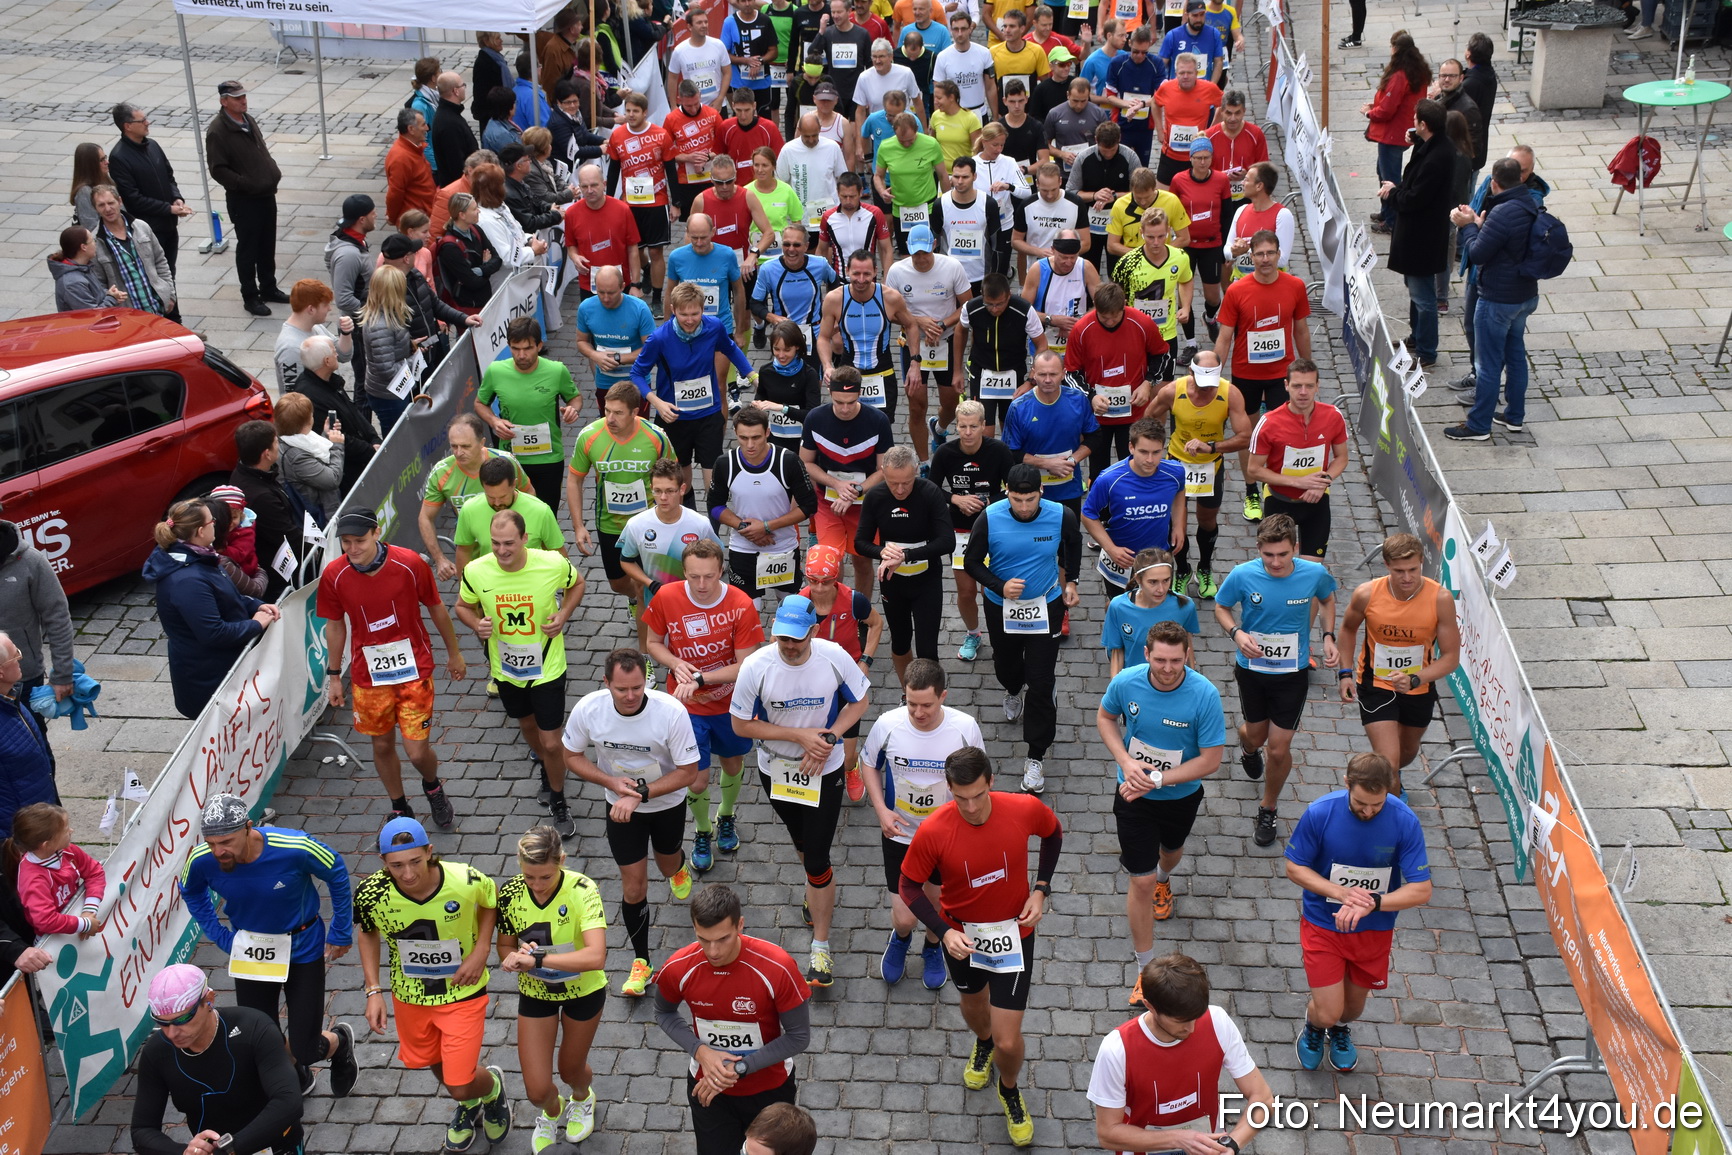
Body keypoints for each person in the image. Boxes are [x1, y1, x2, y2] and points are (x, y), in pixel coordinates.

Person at [898, 747, 1062, 1148]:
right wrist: (942, 931)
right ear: (948, 789)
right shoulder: (934, 830)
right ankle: (982, 1042)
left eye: (977, 795)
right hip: (963, 940)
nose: (970, 807)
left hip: (1014, 935)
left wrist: (1040, 890)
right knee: (973, 1006)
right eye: (960, 798)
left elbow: (1053, 834)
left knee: (1010, 1039)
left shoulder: (1023, 809)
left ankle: (1008, 1089)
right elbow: (908, 886)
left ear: (990, 782)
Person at [731, 594, 873, 986]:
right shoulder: (757, 666)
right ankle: (814, 889)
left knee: (817, 857)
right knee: (801, 841)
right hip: (776, 769)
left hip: (825, 770)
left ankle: (821, 949)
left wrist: (828, 738)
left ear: (813, 630)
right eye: (782, 639)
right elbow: (741, 725)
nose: (790, 646)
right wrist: (798, 736)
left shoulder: (832, 656)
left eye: (797, 638)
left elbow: (861, 700)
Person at [177, 794, 360, 1097]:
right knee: (261, 1037)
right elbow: (190, 891)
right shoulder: (201, 860)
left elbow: (336, 871)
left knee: (305, 1047)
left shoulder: (296, 848)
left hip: (302, 948)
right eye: (211, 844)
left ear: (248, 828)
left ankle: (338, 1042)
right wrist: (221, 936)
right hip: (251, 952)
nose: (219, 852)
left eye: (226, 842)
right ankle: (295, 1076)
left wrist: (341, 930)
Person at [355, 816, 512, 1154]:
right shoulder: (371, 893)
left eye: (415, 861)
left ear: (430, 851)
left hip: (463, 990)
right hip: (410, 995)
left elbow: (491, 898)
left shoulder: (464, 879)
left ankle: (491, 1089)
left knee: (457, 1082)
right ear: (383, 862)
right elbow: (367, 931)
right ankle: (470, 1103)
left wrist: (482, 949)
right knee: (433, 1060)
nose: (408, 873)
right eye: (397, 865)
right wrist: (373, 990)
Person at [317, 507, 466, 828]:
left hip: (415, 670)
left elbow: (437, 608)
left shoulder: (410, 563)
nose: (352, 549)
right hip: (368, 677)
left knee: (416, 752)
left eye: (359, 541)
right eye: (346, 542)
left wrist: (454, 653)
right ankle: (400, 806)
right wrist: (333, 677)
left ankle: (433, 786)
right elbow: (335, 625)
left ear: (376, 533)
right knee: (381, 744)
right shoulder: (334, 574)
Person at [1285, 753, 1432, 1073]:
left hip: (1373, 930)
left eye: (1377, 805)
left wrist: (1373, 903)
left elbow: (1421, 889)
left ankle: (1339, 1029)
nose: (1368, 811)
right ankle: (1315, 1026)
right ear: (1347, 783)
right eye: (1361, 803)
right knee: (1327, 1011)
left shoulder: (1404, 820)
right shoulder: (1320, 813)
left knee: (1350, 1010)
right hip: (1323, 924)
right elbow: (1295, 867)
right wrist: (1340, 893)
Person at [455, 509, 586, 836]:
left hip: (548, 666)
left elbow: (578, 583)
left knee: (552, 742)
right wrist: (476, 624)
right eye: (496, 543)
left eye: (509, 543)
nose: (501, 551)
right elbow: (461, 606)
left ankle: (558, 799)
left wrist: (563, 615)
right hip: (507, 668)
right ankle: (546, 768)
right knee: (527, 725)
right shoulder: (476, 571)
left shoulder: (551, 563)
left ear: (525, 538)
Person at [654, 884, 812, 1154]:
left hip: (769, 1090)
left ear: (740, 925)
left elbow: (798, 1037)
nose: (713, 951)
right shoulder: (679, 967)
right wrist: (701, 1052)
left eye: (723, 939)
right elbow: (664, 1012)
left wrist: (739, 1068)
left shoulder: (777, 967)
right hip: (709, 1089)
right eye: (704, 939)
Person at [1211, 513, 1338, 847]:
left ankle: (1268, 807)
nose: (1276, 562)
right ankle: (1248, 747)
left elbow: (1327, 598)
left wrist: (1327, 636)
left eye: (1283, 554)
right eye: (1269, 555)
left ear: (1295, 547)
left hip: (1291, 673)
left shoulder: (1314, 574)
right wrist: (1236, 633)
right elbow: (1221, 607)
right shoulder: (1243, 575)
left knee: (1279, 748)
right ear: (1258, 549)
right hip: (1252, 671)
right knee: (1255, 734)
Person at [1096, 621, 1223, 956]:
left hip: (1179, 796)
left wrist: (1158, 779)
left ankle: (1164, 878)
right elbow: (1106, 717)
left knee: (1172, 852)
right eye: (1160, 661)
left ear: (1187, 656)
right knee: (1141, 880)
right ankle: (1144, 967)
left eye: (1176, 662)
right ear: (1146, 654)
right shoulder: (1126, 681)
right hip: (1131, 793)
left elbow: (1211, 760)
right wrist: (1125, 762)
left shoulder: (1205, 695)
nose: (1168, 669)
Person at [642, 542, 765, 874]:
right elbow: (652, 643)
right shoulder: (666, 597)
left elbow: (747, 666)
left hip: (730, 705)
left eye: (709, 576)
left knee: (733, 762)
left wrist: (700, 677)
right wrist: (673, 661)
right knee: (695, 780)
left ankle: (725, 814)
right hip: (685, 708)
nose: (701, 584)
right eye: (694, 576)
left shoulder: (740, 604)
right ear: (684, 572)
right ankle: (702, 830)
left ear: (721, 570)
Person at [861, 658, 981, 989]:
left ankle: (932, 947)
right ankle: (900, 939)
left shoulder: (964, 728)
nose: (918, 713)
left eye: (926, 704)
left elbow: (979, 779)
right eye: (911, 703)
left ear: (943, 696)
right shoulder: (888, 724)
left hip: (944, 838)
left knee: (937, 906)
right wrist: (881, 812)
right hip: (900, 834)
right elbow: (868, 764)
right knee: (904, 915)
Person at [962, 463, 1081, 793]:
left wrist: (1071, 580)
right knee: (1008, 668)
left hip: (1046, 604)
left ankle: (1036, 757)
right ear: (1007, 494)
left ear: (1041, 493)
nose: (1025, 507)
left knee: (1041, 682)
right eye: (1017, 500)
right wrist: (999, 586)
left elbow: (1074, 543)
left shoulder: (1060, 515)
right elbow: (971, 562)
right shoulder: (990, 517)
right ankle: (1013, 689)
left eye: (1030, 500)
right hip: (1002, 607)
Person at [1087, 953, 1274, 1153]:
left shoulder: (1217, 1021)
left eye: (1196, 1016)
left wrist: (1233, 1144)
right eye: (1181, 1021)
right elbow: (1107, 1133)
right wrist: (1178, 1139)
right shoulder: (1116, 1050)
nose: (1192, 1029)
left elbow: (1263, 1099)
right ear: (1150, 1006)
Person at [495, 827, 610, 1152]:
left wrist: (540, 958)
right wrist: (513, 958)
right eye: (529, 877)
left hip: (583, 992)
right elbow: (504, 946)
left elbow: (596, 956)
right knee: (535, 1090)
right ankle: (552, 1111)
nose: (537, 886)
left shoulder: (583, 889)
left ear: (562, 860)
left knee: (571, 1069)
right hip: (536, 993)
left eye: (545, 877)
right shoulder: (511, 894)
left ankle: (582, 1096)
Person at [129, 965, 304, 1155]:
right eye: (162, 1023)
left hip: (276, 1147)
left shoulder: (254, 1027)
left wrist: (229, 1148)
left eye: (182, 1020)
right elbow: (141, 1131)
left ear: (209, 1000)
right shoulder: (157, 1052)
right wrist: (185, 1152)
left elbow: (289, 1102)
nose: (172, 1033)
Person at [1337, 533, 1461, 787]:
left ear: (1422, 562)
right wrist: (1345, 673)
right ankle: (1389, 813)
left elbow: (1451, 657)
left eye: (1413, 569)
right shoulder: (1367, 594)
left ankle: (1395, 776)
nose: (1407, 578)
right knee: (1388, 765)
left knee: (1407, 751)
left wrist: (1416, 679)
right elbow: (1348, 629)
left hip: (1418, 688)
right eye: (1399, 571)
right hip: (1376, 685)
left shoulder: (1440, 599)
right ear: (1386, 566)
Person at [566, 382, 677, 647]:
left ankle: (648, 648)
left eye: (618, 413)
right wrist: (579, 526)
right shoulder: (590, 436)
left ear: (636, 412)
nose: (610, 419)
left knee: (643, 587)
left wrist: (672, 518)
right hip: (610, 524)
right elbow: (574, 480)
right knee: (618, 583)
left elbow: (673, 476)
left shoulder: (656, 436)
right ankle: (635, 599)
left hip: (648, 525)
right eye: (607, 411)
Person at [144, 501, 277, 720]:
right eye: (212, 521)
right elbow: (214, 633)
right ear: (200, 531)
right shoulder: (187, 581)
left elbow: (225, 596)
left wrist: (255, 605)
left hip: (225, 671)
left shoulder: (201, 557)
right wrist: (256, 624)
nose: (216, 524)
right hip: (210, 680)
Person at [1213, 228, 1310, 521]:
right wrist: (1214, 376)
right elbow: (1225, 336)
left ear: (1279, 255)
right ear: (1250, 256)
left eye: (1270, 253)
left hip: (1283, 373)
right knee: (1249, 435)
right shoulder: (1237, 290)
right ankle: (1252, 490)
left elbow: (1301, 329)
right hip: (1246, 374)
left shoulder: (1294, 286)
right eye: (1259, 254)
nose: (1265, 259)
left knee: (1282, 432)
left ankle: (1276, 488)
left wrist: (1307, 368)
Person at [1445, 154, 1543, 443]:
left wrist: (1468, 226)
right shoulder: (1529, 202)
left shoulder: (1502, 213)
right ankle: (1514, 416)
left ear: (1495, 183)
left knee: (1487, 364)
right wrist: (1478, 222)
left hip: (1499, 299)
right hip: (1524, 296)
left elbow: (1476, 254)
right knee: (1515, 356)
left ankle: (1479, 424)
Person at [635, 281, 759, 499]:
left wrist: (752, 375)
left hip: (708, 415)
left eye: (695, 313)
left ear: (703, 309)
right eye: (683, 314)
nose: (690, 320)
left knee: (714, 483)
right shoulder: (660, 338)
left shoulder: (714, 327)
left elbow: (730, 349)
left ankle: (714, 529)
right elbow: (637, 374)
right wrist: (657, 402)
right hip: (674, 419)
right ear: (673, 311)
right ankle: (686, 529)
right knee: (681, 484)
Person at [1146, 349, 1250, 595]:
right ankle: (1181, 570)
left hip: (1209, 466)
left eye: (1210, 384)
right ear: (1191, 372)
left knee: (1206, 520)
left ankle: (1204, 567)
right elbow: (1149, 419)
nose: (1206, 390)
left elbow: (1245, 437)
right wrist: (1154, 452)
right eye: (1201, 384)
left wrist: (1213, 446)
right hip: (1176, 466)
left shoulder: (1230, 394)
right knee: (1173, 523)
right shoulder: (1172, 391)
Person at [855, 444, 953, 675]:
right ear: (883, 472)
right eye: (892, 483)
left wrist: (907, 556)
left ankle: (931, 700)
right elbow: (861, 542)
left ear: (917, 471)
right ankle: (907, 694)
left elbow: (947, 541)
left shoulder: (929, 492)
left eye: (906, 483)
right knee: (900, 642)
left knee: (927, 649)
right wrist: (881, 552)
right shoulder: (876, 497)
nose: (899, 490)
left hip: (927, 581)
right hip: (893, 582)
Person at [799, 543, 885, 803]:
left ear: (837, 578)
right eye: (814, 581)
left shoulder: (854, 600)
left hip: (846, 682)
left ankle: (850, 767)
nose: (820, 588)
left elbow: (876, 623)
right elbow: (777, 643)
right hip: (811, 683)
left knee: (847, 753)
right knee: (816, 740)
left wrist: (865, 661)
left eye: (827, 581)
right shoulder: (799, 603)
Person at [929, 399, 1014, 659]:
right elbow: (931, 489)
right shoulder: (945, 453)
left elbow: (1012, 489)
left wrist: (988, 501)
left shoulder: (998, 451)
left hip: (993, 529)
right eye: (962, 427)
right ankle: (974, 634)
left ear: (983, 426)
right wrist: (955, 499)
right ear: (956, 427)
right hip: (960, 531)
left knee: (991, 589)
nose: (967, 433)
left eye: (973, 427)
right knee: (966, 592)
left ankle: (1002, 635)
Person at [800, 367, 896, 594]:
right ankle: (837, 613)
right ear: (829, 393)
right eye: (838, 402)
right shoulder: (815, 418)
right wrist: (836, 485)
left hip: (864, 505)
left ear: (860, 393)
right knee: (830, 560)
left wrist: (855, 491)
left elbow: (884, 470)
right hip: (827, 502)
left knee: (863, 561)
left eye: (851, 402)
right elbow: (806, 463)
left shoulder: (878, 421)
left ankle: (861, 614)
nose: (844, 408)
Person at [471, 317, 579, 514]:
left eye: (527, 348)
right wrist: (494, 421)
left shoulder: (556, 371)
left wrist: (573, 409)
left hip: (548, 459)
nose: (521, 355)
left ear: (539, 345)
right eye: (515, 348)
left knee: (545, 515)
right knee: (508, 516)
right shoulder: (496, 371)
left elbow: (575, 398)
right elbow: (479, 403)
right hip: (511, 459)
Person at [712, 409, 820, 604]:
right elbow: (715, 505)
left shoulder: (788, 461)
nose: (750, 445)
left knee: (789, 608)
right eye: (743, 438)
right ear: (735, 433)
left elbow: (809, 505)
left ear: (767, 433)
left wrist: (767, 527)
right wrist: (745, 528)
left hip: (782, 547)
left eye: (756, 437)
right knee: (747, 613)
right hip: (743, 548)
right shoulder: (725, 463)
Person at [1244, 359, 1348, 561]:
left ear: (1317, 387)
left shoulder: (1333, 416)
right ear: (1286, 385)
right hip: (1279, 500)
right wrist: (1298, 482)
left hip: (1316, 501)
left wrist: (1323, 481)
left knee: (1313, 570)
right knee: (1277, 565)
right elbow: (1254, 470)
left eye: (1309, 386)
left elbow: (1342, 457)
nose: (1303, 392)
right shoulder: (1269, 423)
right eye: (1297, 386)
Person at [886, 224, 971, 458]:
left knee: (952, 402)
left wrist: (942, 324)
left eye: (925, 252)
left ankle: (940, 427)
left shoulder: (952, 266)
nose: (921, 258)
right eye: (916, 253)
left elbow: (967, 305)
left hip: (946, 341)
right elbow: (890, 313)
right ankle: (923, 462)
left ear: (934, 245)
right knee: (916, 406)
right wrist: (918, 322)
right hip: (913, 345)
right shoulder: (896, 271)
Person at [1379, 100, 1453, 368]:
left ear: (1424, 124)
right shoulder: (1433, 146)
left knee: (1423, 296)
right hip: (1418, 234)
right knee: (1415, 290)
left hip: (1423, 237)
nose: (1412, 120)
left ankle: (1427, 351)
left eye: (1415, 119)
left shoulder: (1437, 157)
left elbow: (1415, 197)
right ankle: (1417, 337)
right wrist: (1416, 139)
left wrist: (1392, 192)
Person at [417, 413, 532, 579]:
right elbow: (425, 518)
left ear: (482, 443)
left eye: (465, 446)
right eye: (454, 446)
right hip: (473, 555)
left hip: (511, 549)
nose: (459, 452)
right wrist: (440, 559)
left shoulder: (505, 462)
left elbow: (529, 495)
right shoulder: (441, 472)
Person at [206, 81, 286, 316]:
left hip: (265, 194)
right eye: (237, 97)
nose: (243, 100)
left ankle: (269, 287)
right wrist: (246, 184)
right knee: (248, 248)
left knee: (266, 244)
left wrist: (270, 171)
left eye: (243, 96)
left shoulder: (247, 119)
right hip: (245, 199)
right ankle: (250, 296)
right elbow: (218, 169)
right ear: (224, 101)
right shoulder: (218, 131)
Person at [1082, 417, 1187, 596]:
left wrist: (1178, 525)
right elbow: (1088, 514)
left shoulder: (1175, 471)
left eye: (1156, 452)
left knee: (1157, 603)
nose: (1150, 459)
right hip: (1122, 559)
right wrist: (1110, 548)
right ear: (1131, 447)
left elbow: (1179, 492)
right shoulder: (1109, 479)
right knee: (1117, 605)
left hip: (1159, 556)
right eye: (1143, 452)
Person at [619, 459, 726, 624]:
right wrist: (649, 583)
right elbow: (626, 561)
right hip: (655, 600)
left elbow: (718, 558)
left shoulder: (699, 524)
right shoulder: (637, 524)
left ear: (682, 489)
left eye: (670, 491)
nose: (663, 497)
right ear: (651, 489)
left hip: (694, 602)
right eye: (657, 491)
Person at [0, 516, 76, 740]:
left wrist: (62, 675)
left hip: (21, 679)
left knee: (32, 744)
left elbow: (57, 616)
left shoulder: (30, 562)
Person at [1002, 349, 1097, 522]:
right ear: (1033, 374)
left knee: (1068, 541)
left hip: (1069, 488)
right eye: (1042, 374)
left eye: (1053, 374)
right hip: (1031, 492)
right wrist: (1047, 464)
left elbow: (1095, 436)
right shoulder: (1018, 408)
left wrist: (1072, 460)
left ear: (1063, 373)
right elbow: (1010, 452)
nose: (1047, 380)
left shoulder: (1078, 400)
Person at [107, 103, 195, 276]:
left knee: (170, 272)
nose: (148, 122)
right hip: (149, 230)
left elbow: (168, 176)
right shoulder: (119, 157)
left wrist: (176, 198)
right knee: (157, 275)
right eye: (143, 120)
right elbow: (133, 199)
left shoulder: (152, 145)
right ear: (128, 126)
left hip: (169, 224)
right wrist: (169, 209)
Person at [959, 271, 1046, 437]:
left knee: (1011, 429)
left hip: (1014, 373)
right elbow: (960, 332)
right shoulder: (971, 308)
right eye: (989, 304)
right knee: (984, 431)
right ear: (982, 295)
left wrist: (1031, 380)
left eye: (1000, 304)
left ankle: (1008, 463)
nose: (994, 309)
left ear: (1009, 295)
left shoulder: (1024, 310)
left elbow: (1041, 344)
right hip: (982, 372)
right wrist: (957, 371)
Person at [607, 92, 675, 305]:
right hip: (630, 203)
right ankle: (644, 270)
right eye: (627, 111)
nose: (631, 115)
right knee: (635, 249)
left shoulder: (661, 135)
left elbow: (670, 169)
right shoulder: (617, 136)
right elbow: (613, 170)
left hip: (656, 201)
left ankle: (656, 297)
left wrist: (677, 204)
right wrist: (609, 199)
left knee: (656, 251)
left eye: (635, 111)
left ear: (645, 112)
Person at [6, 803, 103, 946]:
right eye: (65, 830)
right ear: (46, 844)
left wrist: (89, 909)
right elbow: (46, 921)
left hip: (78, 921)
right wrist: (85, 924)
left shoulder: (69, 851)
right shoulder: (33, 879)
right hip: (53, 941)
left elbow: (95, 872)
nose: (71, 830)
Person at [1362, 32, 1430, 233]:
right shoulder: (1418, 71)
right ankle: (1387, 212)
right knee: (1383, 171)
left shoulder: (1400, 75)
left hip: (1391, 133)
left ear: (1395, 49)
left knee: (1389, 177)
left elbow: (1388, 109)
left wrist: (1369, 113)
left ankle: (1392, 220)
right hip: (1402, 131)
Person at [452, 458, 565, 575]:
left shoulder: (540, 511)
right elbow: (464, 551)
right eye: (490, 497)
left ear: (514, 484)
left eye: (502, 497)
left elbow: (557, 553)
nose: (497, 503)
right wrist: (464, 587)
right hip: (489, 584)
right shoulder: (469, 510)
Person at [294, 336, 379, 493]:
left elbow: (353, 412)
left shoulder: (329, 381)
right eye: (334, 351)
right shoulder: (311, 397)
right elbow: (337, 439)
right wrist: (369, 450)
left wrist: (373, 437)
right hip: (350, 472)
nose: (337, 354)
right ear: (327, 361)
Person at [1167, 137, 1231, 345]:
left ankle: (1210, 317)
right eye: (1198, 158)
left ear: (1212, 158)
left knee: (1213, 296)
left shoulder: (1221, 180)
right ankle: (1191, 343)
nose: (1203, 162)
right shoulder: (1179, 180)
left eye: (1206, 158)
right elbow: (1171, 210)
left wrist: (1226, 247)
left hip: (1212, 244)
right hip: (1186, 245)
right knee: (1183, 296)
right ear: (1190, 159)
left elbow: (1227, 215)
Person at [1111, 210, 1191, 372]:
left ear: (1169, 231)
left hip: (1167, 333)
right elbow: (1114, 298)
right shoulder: (1127, 263)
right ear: (1141, 233)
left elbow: (1186, 280)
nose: (1156, 242)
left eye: (1161, 236)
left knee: (1165, 384)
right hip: (1135, 333)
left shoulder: (1180, 257)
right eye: (1150, 237)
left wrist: (1186, 306)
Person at [1099, 547, 1199, 674]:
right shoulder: (1118, 607)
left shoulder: (1185, 606)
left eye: (1166, 580)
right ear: (1138, 579)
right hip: (1135, 682)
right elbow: (1117, 653)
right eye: (1153, 582)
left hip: (1171, 680)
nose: (1161, 589)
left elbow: (1187, 646)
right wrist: (1115, 690)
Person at [88, 184, 177, 321]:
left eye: (111, 203)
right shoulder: (96, 242)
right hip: (128, 316)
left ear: (120, 201)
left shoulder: (141, 227)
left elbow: (160, 261)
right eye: (101, 205)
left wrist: (169, 294)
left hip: (156, 308)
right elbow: (99, 284)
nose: (107, 209)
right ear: (95, 208)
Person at [575, 266, 657, 411]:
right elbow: (581, 341)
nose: (606, 298)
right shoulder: (586, 308)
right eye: (601, 292)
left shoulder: (640, 309)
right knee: (610, 427)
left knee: (637, 430)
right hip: (605, 383)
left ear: (622, 287)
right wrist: (595, 355)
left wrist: (618, 358)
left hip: (637, 382)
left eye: (611, 293)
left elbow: (651, 349)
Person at [359, 264, 423, 435]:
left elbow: (390, 352)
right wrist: (414, 358)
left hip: (393, 391)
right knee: (397, 439)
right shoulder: (380, 326)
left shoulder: (386, 315)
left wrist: (410, 346)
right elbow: (387, 369)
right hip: (388, 395)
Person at [563, 164, 643, 298]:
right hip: (588, 284)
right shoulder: (571, 213)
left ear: (604, 184)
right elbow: (571, 245)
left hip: (620, 283)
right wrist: (575, 257)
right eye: (584, 186)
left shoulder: (622, 210)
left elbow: (632, 248)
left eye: (594, 185)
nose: (589, 190)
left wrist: (635, 284)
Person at [669, 213, 748, 340]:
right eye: (694, 238)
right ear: (687, 233)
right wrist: (668, 329)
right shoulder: (676, 257)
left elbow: (738, 291)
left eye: (703, 237)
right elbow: (669, 294)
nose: (699, 243)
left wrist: (739, 331)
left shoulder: (727, 255)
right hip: (688, 328)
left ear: (713, 232)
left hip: (720, 327)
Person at [751, 320, 827, 453]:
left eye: (787, 350)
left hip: (802, 441)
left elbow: (811, 415)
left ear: (797, 346)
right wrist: (756, 406)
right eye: (776, 349)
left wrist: (782, 408)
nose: (781, 355)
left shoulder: (809, 374)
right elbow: (761, 397)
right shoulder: (765, 371)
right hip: (774, 439)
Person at [1203, 88, 1268, 233]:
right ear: (1221, 112)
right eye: (1228, 113)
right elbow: (1201, 170)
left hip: (1247, 198)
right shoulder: (1209, 136)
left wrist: (1248, 174)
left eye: (1237, 113)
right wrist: (1220, 176)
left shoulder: (1256, 134)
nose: (1233, 118)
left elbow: (1264, 167)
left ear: (1244, 111)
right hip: (1217, 199)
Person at [779, 115, 851, 244]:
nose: (811, 140)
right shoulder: (788, 150)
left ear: (820, 129)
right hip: (801, 217)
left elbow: (842, 177)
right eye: (807, 136)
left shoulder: (832, 147)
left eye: (815, 135)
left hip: (829, 214)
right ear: (799, 130)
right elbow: (781, 182)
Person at [1011, 161, 1090, 279]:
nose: (1049, 195)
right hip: (1037, 270)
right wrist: (1038, 251)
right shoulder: (1027, 205)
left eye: (1054, 190)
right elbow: (1016, 241)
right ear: (1037, 183)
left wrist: (1063, 255)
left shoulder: (1076, 203)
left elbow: (1086, 242)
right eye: (1044, 190)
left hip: (1068, 270)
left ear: (1060, 181)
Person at [275, 278, 354, 393]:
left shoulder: (316, 327)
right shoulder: (290, 349)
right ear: (311, 309)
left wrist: (346, 333)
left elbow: (343, 356)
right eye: (325, 304)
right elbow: (295, 398)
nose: (329, 308)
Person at [1218, 160, 1291, 283]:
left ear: (1259, 186)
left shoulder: (1282, 215)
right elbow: (1227, 249)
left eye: (1246, 180)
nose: (1242, 183)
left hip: (1269, 284)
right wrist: (1235, 252)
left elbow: (1282, 259)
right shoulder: (1241, 210)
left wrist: (1247, 249)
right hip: (1241, 283)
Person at [274, 391, 344, 517]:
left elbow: (314, 451)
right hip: (319, 517)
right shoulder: (297, 457)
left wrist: (326, 435)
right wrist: (337, 446)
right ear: (307, 421)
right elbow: (332, 479)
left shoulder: (288, 439)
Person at [666, 82, 726, 225]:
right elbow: (667, 154)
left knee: (716, 221)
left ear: (700, 96)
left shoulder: (713, 114)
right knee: (692, 224)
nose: (693, 109)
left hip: (712, 179)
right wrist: (688, 158)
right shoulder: (671, 119)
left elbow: (723, 146)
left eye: (696, 104)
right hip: (687, 182)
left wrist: (707, 156)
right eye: (688, 106)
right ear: (679, 99)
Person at [1102, 25, 1160, 166]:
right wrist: (1128, 104)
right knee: (1119, 165)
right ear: (1129, 43)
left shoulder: (1156, 64)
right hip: (1122, 125)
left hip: (1145, 127)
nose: (1139, 56)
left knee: (1142, 166)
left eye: (1144, 52)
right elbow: (1110, 96)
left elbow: (1161, 96)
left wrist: (1141, 104)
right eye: (1135, 51)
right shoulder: (1117, 63)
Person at [437, 192, 503, 314]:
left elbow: (498, 260)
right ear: (462, 215)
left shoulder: (475, 229)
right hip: (468, 308)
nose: (479, 211)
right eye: (474, 209)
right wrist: (486, 266)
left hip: (485, 300)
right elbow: (472, 282)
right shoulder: (450, 248)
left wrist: (480, 270)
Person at [815, 178, 889, 283]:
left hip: (867, 281)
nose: (848, 201)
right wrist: (820, 280)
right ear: (838, 193)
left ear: (860, 192)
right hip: (839, 281)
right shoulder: (828, 217)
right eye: (844, 196)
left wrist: (887, 278)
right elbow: (821, 250)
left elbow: (886, 249)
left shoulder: (875, 213)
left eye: (852, 196)